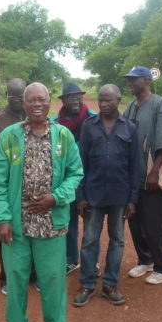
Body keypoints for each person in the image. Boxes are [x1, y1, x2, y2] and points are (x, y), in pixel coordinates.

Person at [0, 83, 83, 322]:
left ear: (49, 102)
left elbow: (75, 173)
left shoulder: (63, 136)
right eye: (31, 100)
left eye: (41, 100)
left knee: (53, 279)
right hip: (17, 225)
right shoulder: (9, 137)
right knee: (16, 278)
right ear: (24, 103)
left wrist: (56, 197)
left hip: (52, 223)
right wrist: (2, 218)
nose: (36, 105)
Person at [73, 84, 140, 307]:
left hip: (120, 196)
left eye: (108, 100)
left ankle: (110, 285)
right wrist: (80, 195)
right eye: (101, 100)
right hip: (93, 194)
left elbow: (135, 166)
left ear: (119, 100)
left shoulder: (130, 128)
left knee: (118, 240)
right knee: (90, 240)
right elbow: (80, 162)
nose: (103, 104)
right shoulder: (89, 126)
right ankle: (87, 285)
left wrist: (133, 199)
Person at [123, 66, 162, 285]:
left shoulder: (159, 105)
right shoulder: (130, 107)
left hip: (150, 171)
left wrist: (155, 172)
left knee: (154, 223)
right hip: (132, 175)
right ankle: (146, 260)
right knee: (135, 220)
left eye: (134, 80)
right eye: (129, 80)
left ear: (146, 80)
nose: (130, 83)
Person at [0, 77, 37, 295]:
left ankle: (34, 275)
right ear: (7, 96)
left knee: (34, 229)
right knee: (5, 229)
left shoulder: (35, 116)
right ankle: (7, 276)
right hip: (8, 185)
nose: (17, 100)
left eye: (21, 96)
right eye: (13, 96)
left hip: (34, 185)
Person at [51, 82, 96, 275]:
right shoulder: (54, 122)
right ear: (64, 100)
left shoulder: (94, 119)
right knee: (68, 222)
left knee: (91, 223)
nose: (75, 100)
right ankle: (71, 260)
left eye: (78, 96)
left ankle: (91, 262)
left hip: (89, 180)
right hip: (66, 181)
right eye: (70, 97)